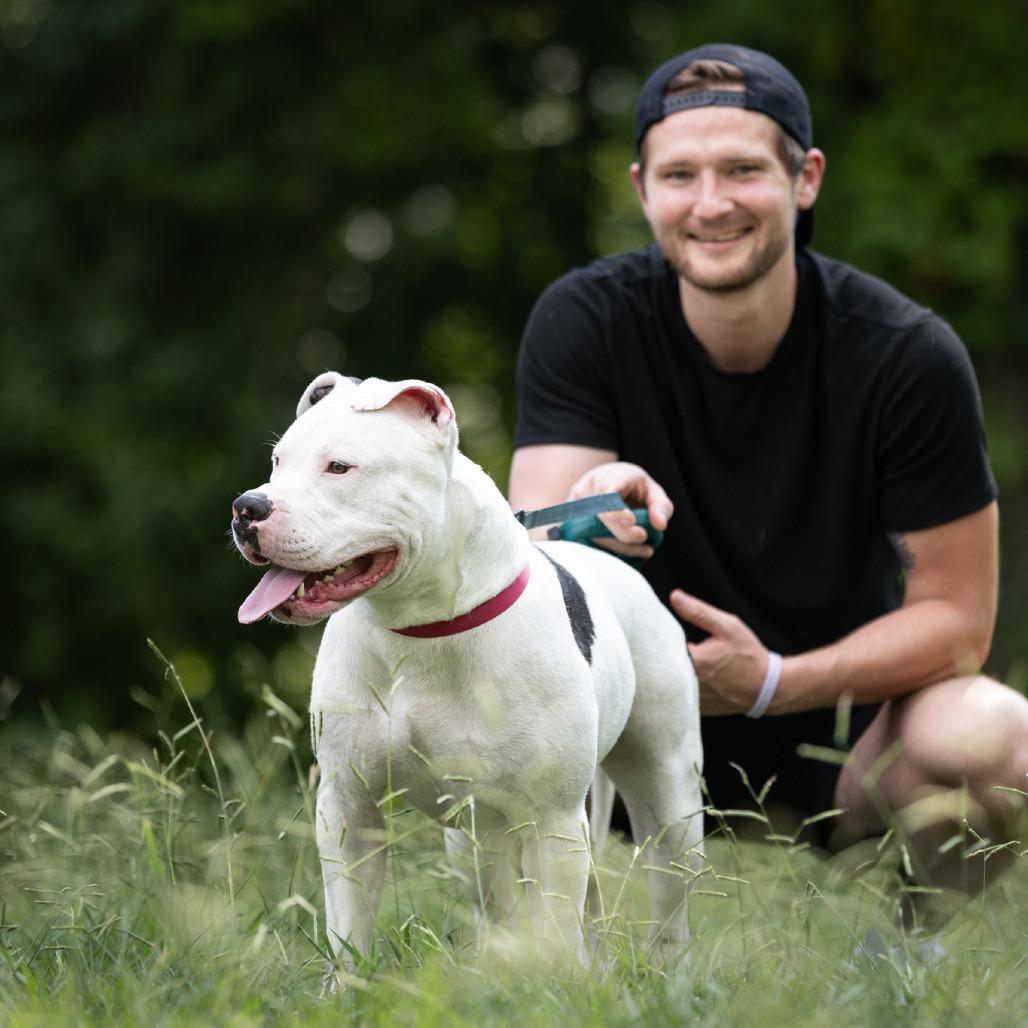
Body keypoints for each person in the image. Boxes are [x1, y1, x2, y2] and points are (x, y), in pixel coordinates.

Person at [508, 43, 1028, 932]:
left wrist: (774, 681)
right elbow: (529, 574)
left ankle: (902, 959)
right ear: (642, 189)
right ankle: (567, 956)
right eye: (681, 175)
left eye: (743, 169)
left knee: (1003, 742)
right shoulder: (584, 320)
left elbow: (960, 624)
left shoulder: (907, 355)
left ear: (806, 178)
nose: (711, 204)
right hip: (627, 734)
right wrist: (590, 507)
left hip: (841, 736)